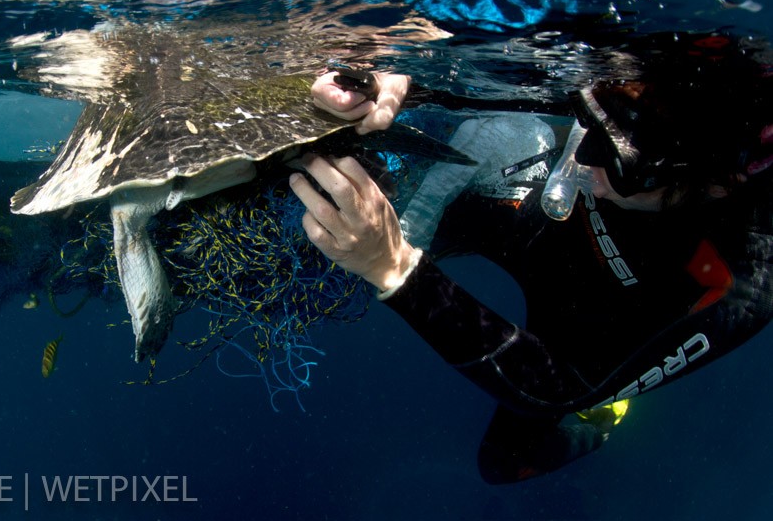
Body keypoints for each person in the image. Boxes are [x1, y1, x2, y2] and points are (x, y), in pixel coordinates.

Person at [288, 31, 773, 483]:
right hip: (530, 212)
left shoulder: (741, 278)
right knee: (334, 227)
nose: (584, 162)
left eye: (620, 164)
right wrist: (400, 77)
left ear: (715, 185)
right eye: (592, 119)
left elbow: (560, 390)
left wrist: (394, 267)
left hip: (601, 317)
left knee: (504, 461)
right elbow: (499, 55)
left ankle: (601, 425)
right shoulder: (654, 55)